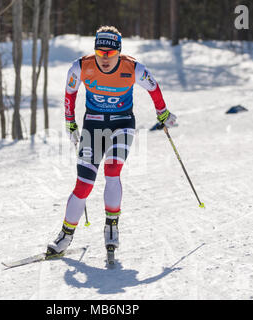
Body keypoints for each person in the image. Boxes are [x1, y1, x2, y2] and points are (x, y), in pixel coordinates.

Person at [47, 26, 177, 257]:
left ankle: (111, 227)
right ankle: (65, 236)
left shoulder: (134, 68)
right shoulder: (81, 66)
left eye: (110, 54)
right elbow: (70, 94)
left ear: (119, 51)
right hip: (93, 126)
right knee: (84, 184)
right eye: (100, 53)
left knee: (112, 170)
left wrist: (163, 114)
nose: (105, 58)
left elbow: (154, 88)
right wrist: (70, 123)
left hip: (122, 124)